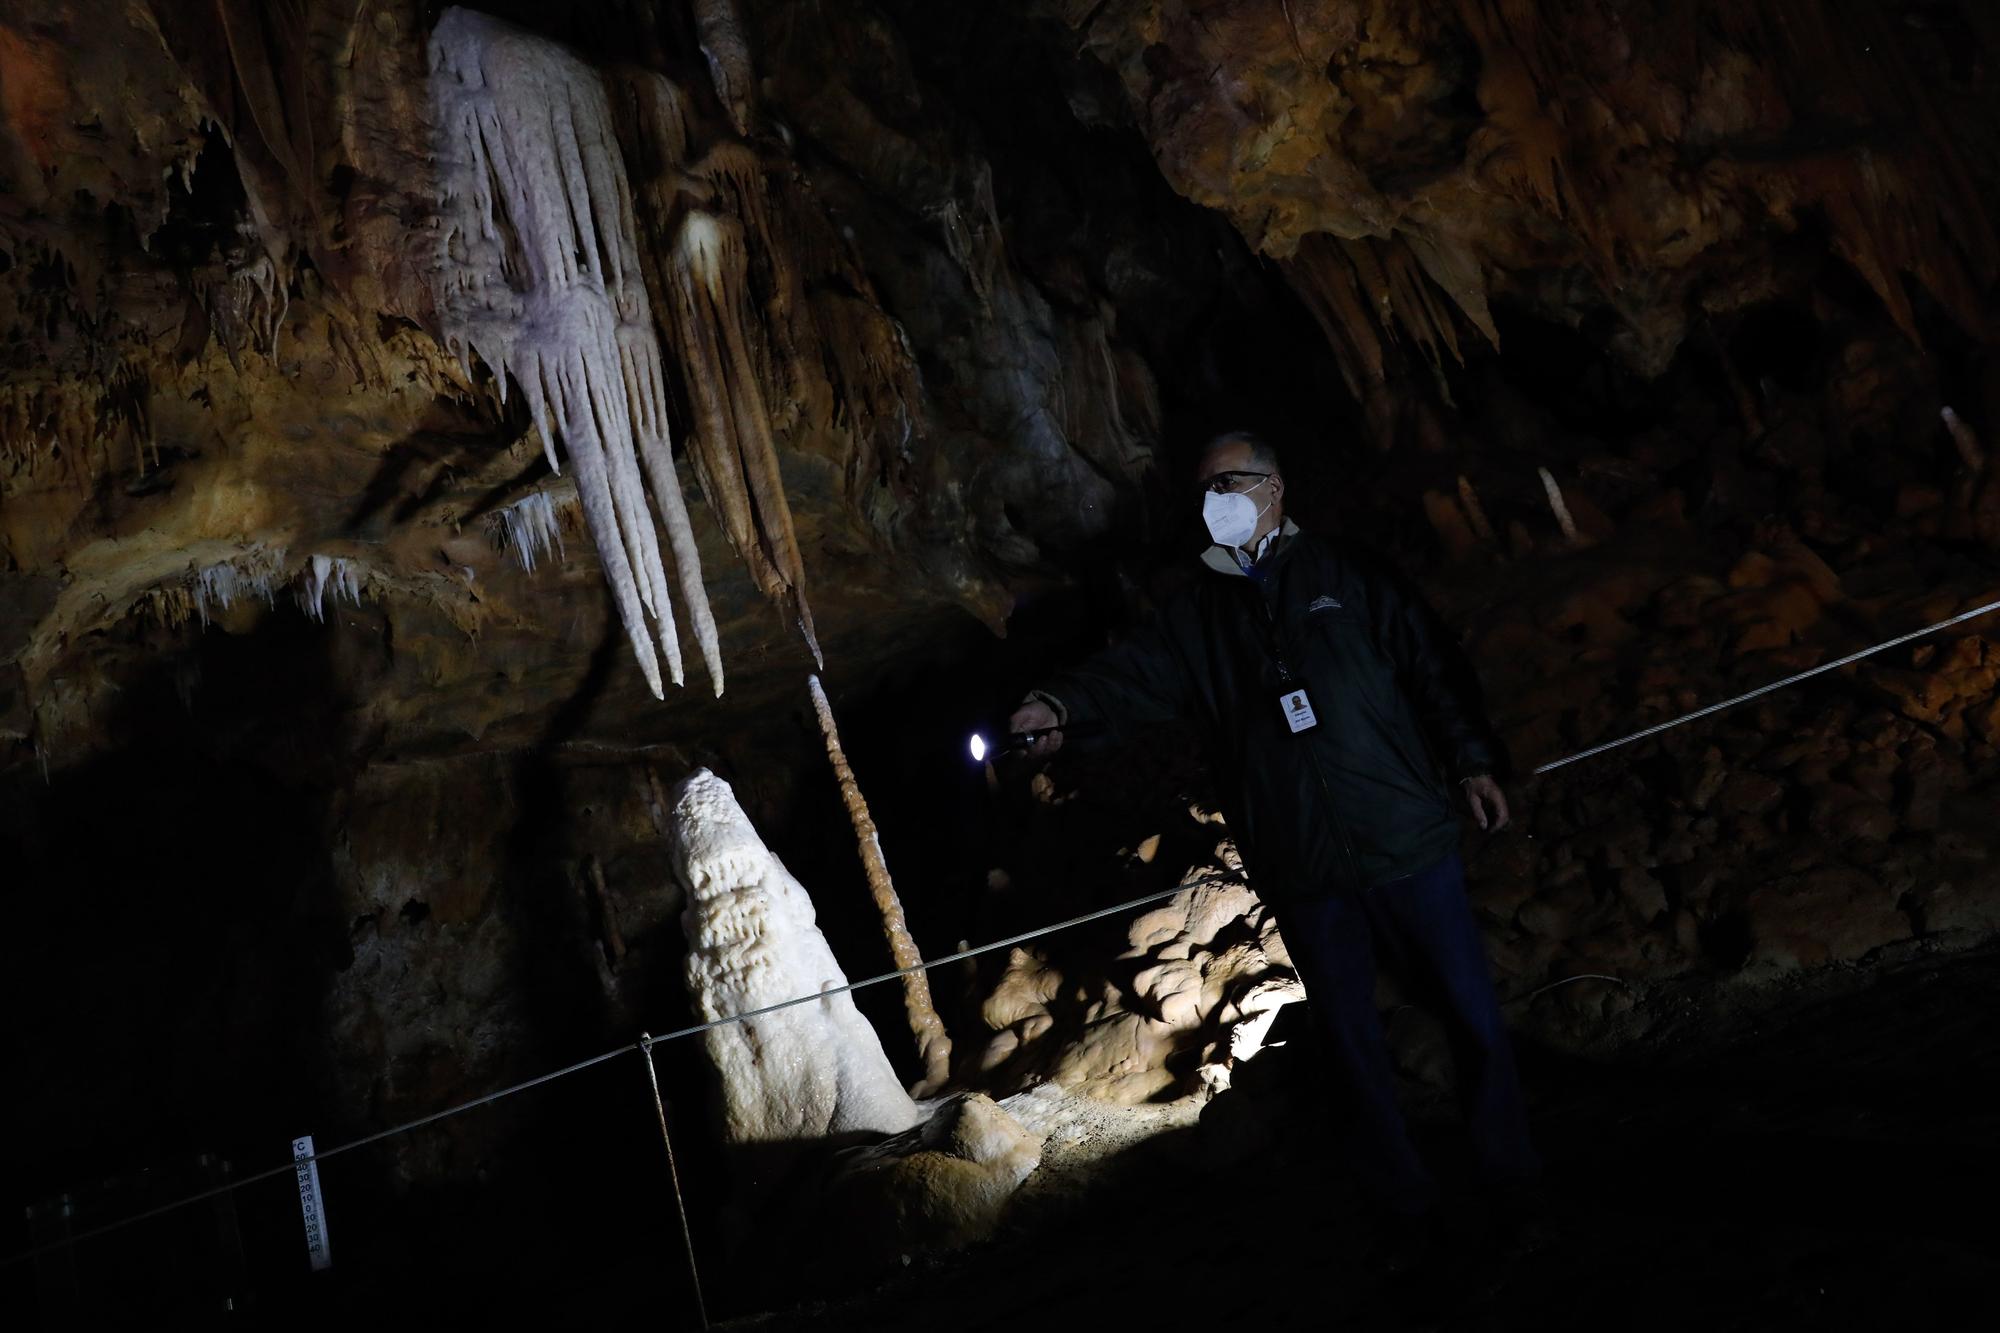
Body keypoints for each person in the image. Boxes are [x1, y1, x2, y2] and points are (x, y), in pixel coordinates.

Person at [1011, 429, 1541, 1260]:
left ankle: (1509, 1184)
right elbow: (1128, 676)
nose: (1215, 498)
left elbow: (1429, 663)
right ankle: (1407, 1216)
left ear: (1276, 489)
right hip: (1304, 868)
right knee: (1355, 1054)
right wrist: (1057, 707)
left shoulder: (1346, 574)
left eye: (1230, 481)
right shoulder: (1197, 613)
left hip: (1404, 839)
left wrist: (1472, 760)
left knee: (1472, 1019)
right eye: (1204, 489)